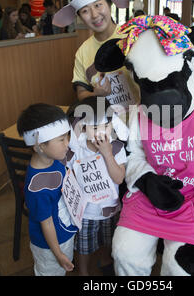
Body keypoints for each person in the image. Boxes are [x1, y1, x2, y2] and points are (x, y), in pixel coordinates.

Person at [53, 0, 140, 113]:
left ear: (109, 4)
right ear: (80, 17)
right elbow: (81, 93)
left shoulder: (133, 37)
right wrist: (95, 94)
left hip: (141, 119)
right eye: (85, 11)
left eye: (98, 5)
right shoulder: (82, 52)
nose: (94, 15)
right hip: (105, 124)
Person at [67, 96, 128, 276]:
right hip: (85, 212)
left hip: (110, 208)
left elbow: (119, 179)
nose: (101, 132)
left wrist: (107, 154)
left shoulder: (116, 148)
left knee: (107, 241)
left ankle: (105, 261)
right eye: (94, 128)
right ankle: (83, 272)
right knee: (84, 247)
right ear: (83, 128)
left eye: (106, 126)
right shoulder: (76, 149)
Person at [17, 103, 78, 276]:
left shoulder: (54, 160)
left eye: (67, 136)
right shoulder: (38, 188)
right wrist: (58, 254)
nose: (68, 143)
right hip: (50, 247)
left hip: (64, 233)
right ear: (39, 146)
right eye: (61, 140)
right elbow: (47, 223)